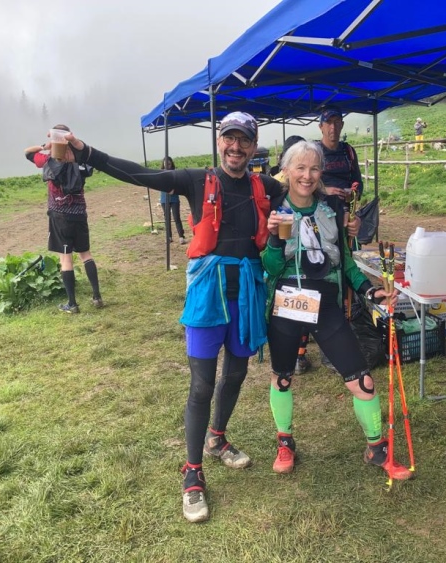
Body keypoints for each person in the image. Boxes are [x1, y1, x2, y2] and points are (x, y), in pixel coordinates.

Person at [63, 112, 285, 523]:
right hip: (207, 296)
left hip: (247, 295)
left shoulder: (266, 187)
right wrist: (87, 153)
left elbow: (303, 191)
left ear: (254, 147)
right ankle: (192, 472)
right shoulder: (195, 181)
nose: (236, 147)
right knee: (202, 384)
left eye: (244, 140)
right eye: (230, 138)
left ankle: (218, 439)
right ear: (219, 142)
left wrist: (328, 190)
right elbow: (139, 175)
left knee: (236, 373)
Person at [262, 140, 412, 480]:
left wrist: (369, 290)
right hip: (287, 300)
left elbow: (345, 262)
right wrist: (273, 239)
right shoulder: (274, 208)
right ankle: (285, 442)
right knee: (282, 377)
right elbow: (270, 267)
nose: (307, 175)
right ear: (286, 170)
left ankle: (377, 448)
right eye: (300, 168)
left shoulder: (332, 208)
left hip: (326, 300)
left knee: (362, 380)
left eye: (314, 168)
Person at [300, 105, 364, 373]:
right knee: (313, 276)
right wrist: (326, 189)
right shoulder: (313, 152)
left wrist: (352, 194)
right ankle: (300, 349)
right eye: (329, 123)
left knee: (341, 277)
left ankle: (335, 342)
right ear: (321, 126)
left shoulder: (349, 152)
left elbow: (359, 183)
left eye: (338, 122)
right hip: (315, 222)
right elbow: (304, 183)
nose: (333, 127)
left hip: (343, 219)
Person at [24, 124, 103, 314]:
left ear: (54, 138)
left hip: (59, 216)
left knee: (65, 259)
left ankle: (72, 303)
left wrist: (46, 146)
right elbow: (92, 161)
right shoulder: (78, 159)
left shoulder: (47, 159)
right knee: (86, 255)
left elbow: (27, 153)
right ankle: (97, 297)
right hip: (79, 214)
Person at [159, 157, 186, 245]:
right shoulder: (160, 173)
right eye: (165, 164)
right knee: (167, 218)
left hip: (174, 198)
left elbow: (179, 183)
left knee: (177, 217)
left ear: (171, 164)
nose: (167, 166)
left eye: (169, 164)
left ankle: (181, 236)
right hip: (164, 199)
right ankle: (169, 237)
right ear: (163, 164)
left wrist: (174, 189)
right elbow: (158, 184)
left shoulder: (175, 173)